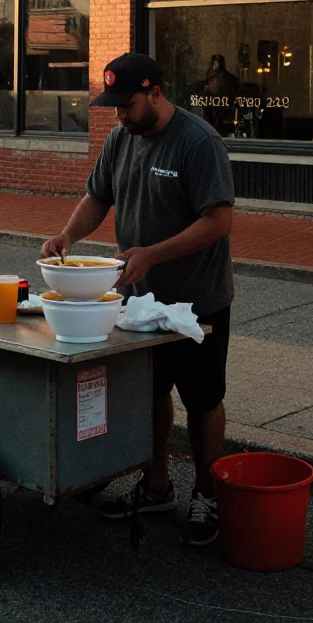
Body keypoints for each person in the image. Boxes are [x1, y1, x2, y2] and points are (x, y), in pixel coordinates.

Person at [41, 52, 234, 546]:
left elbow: (218, 221)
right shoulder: (119, 138)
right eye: (114, 107)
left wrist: (154, 254)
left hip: (196, 303)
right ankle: (157, 486)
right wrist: (68, 237)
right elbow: (98, 197)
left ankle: (208, 493)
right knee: (149, 393)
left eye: (127, 105)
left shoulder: (198, 142)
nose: (120, 115)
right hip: (139, 302)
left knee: (203, 399)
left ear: (155, 92)